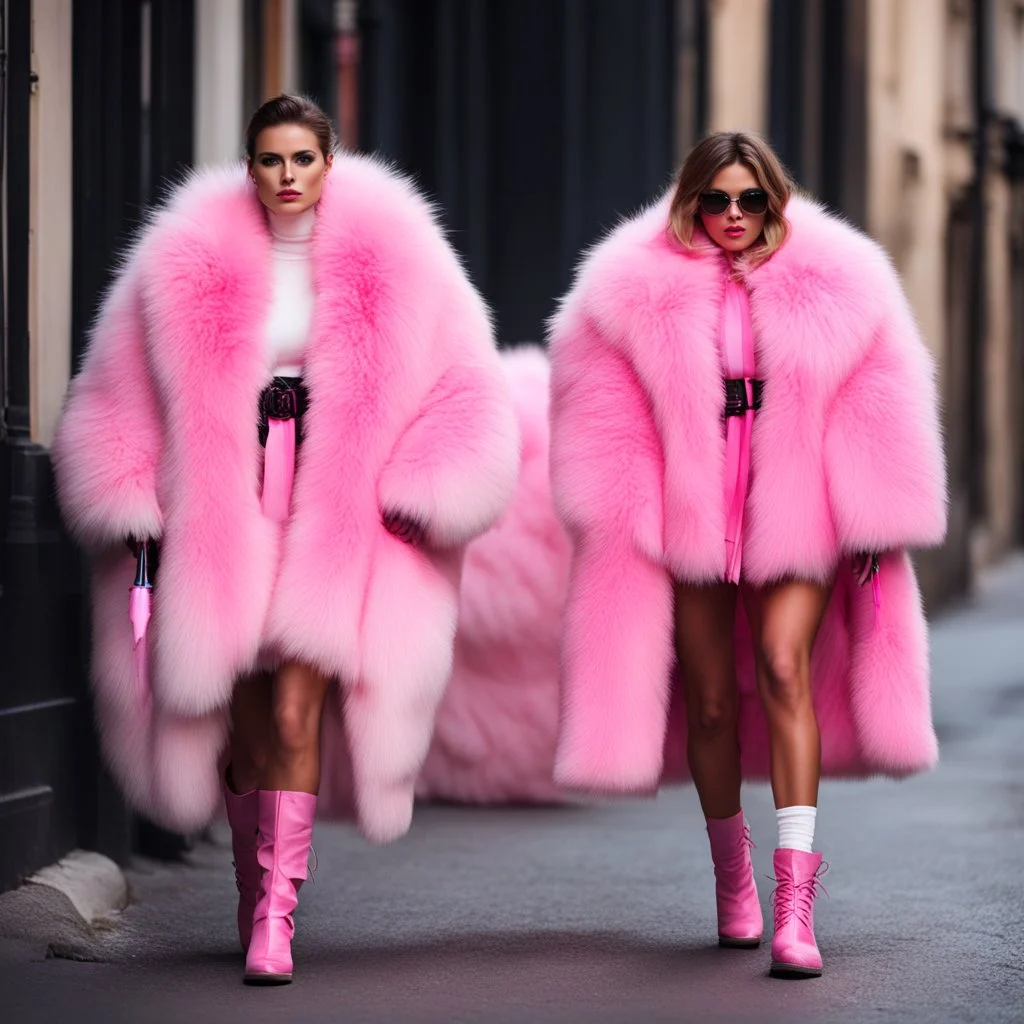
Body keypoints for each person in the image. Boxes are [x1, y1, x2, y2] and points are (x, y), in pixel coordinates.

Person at [51, 94, 518, 985]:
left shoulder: (401, 255)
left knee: (302, 709)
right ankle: (248, 882)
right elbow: (114, 390)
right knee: (247, 735)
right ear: (251, 166)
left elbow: (470, 389)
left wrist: (427, 485)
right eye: (270, 161)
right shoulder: (181, 256)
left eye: (303, 160)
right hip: (224, 516)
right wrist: (125, 491)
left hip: (328, 517)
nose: (287, 177)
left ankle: (277, 917)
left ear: (328, 163)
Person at [547, 131, 946, 978]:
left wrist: (875, 514)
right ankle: (733, 878)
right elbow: (596, 408)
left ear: (775, 197)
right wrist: (626, 512)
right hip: (691, 515)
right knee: (711, 703)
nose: (733, 216)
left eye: (750, 199)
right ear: (691, 200)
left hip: (795, 507)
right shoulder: (629, 284)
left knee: (782, 665)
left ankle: (795, 901)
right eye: (716, 200)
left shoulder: (839, 276)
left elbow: (884, 391)